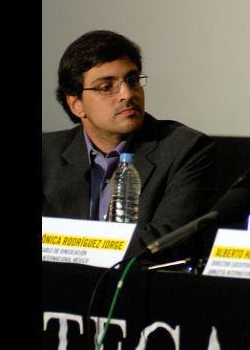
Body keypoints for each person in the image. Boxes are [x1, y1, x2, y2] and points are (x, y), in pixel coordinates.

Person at [42, 30, 218, 259]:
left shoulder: (185, 148)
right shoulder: (47, 155)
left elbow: (170, 238)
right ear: (76, 105)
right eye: (106, 87)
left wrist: (73, 249)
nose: (127, 93)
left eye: (132, 80)